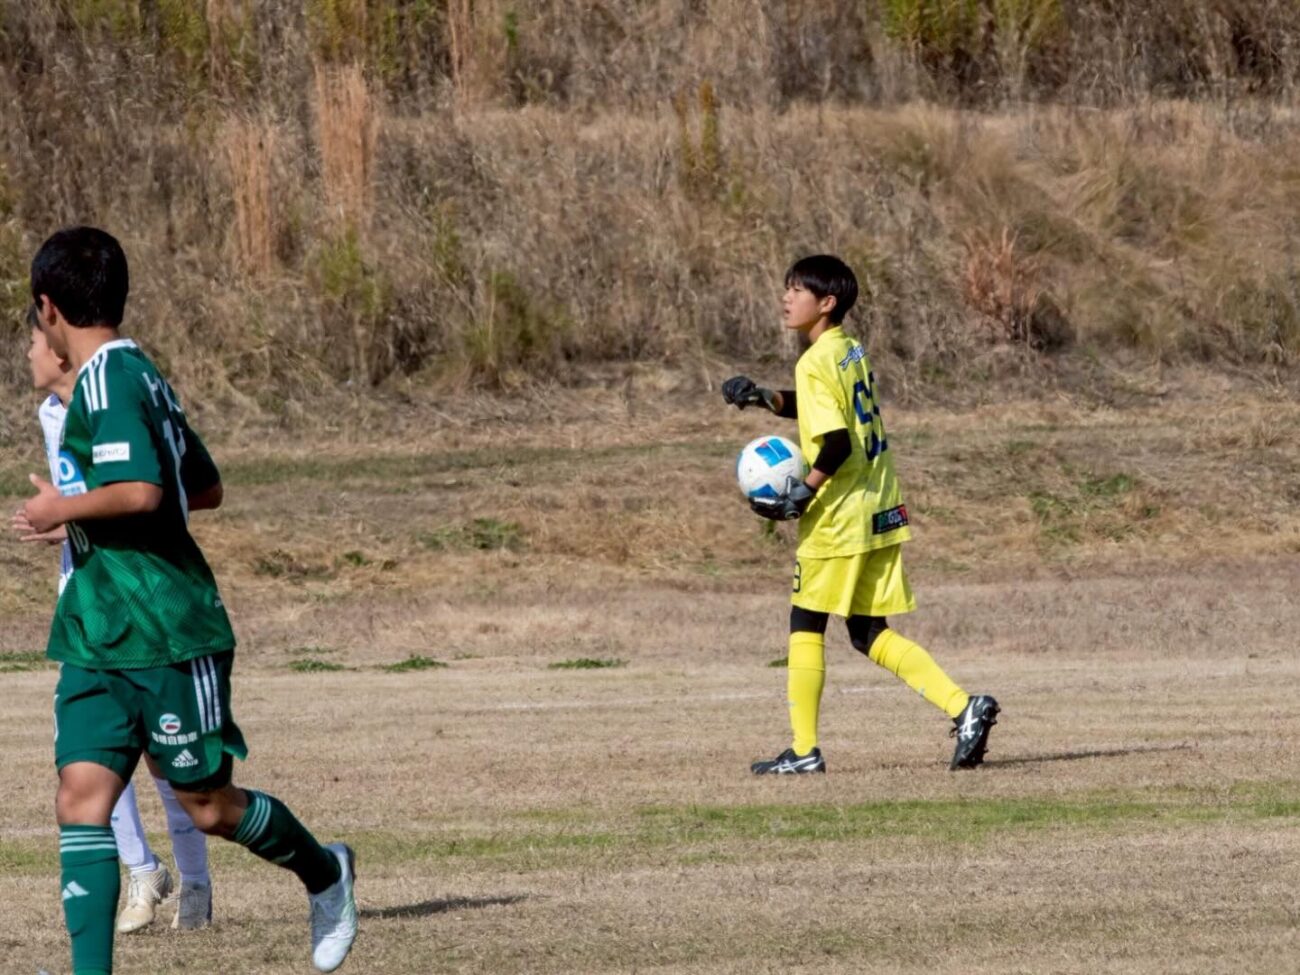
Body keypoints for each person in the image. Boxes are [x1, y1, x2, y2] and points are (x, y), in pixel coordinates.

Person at [17, 227, 357, 974]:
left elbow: (144, 490)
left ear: (49, 308)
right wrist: (86, 520)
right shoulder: (142, 374)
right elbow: (198, 486)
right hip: (98, 627)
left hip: (167, 629)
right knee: (81, 798)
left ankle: (324, 871)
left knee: (208, 805)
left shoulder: (110, 381)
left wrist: (63, 509)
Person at [722, 254, 999, 775]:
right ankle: (965, 708)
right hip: (880, 505)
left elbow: (836, 443)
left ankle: (804, 750)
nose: (786, 297)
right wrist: (764, 397)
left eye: (797, 290)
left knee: (806, 621)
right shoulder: (848, 350)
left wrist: (803, 493)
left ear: (826, 302)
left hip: (841, 516)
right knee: (866, 630)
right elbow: (820, 407)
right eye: (787, 288)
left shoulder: (814, 361)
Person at [16, 306, 215, 934]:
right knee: (91, 755)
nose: (28, 352)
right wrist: (67, 521)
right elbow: (87, 499)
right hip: (86, 603)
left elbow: (161, 489)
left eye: (33, 339)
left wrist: (72, 513)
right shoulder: (52, 414)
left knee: (171, 764)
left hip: (145, 604)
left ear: (59, 342)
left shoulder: (120, 392)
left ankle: (197, 882)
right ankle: (140, 871)